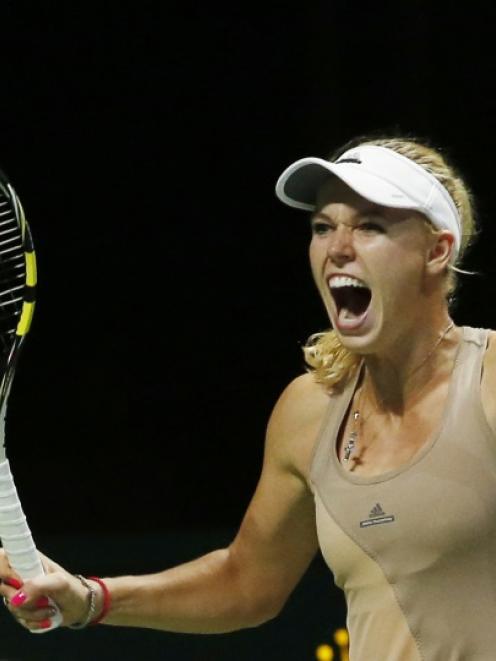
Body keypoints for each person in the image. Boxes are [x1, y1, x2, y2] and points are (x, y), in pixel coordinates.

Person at [0, 134, 494, 660]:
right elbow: (247, 582)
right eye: (322, 227)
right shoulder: (310, 411)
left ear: (437, 251)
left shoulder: (488, 380)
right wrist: (92, 599)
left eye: (370, 226)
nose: (337, 247)